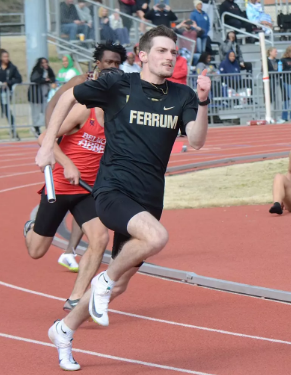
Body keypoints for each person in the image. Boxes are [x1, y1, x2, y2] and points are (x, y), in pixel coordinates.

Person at [37, 26, 211, 371]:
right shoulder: (119, 84)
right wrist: (47, 143)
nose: (169, 57)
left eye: (173, 52)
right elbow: (70, 97)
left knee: (120, 286)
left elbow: (196, 140)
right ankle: (101, 278)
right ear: (142, 55)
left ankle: (64, 330)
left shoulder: (183, 96)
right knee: (156, 238)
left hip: (150, 196)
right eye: (162, 51)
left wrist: (204, 101)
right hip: (113, 188)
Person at [24, 62, 117, 312]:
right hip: (62, 184)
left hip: (87, 189)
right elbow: (44, 139)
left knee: (100, 238)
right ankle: (31, 228)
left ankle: (76, 298)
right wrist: (67, 164)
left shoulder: (118, 120)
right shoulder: (82, 112)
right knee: (36, 251)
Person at [0, 49, 22, 142]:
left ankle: (14, 131)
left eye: (7, 56)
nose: (6, 58)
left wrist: (8, 82)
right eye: (4, 56)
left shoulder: (12, 67)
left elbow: (19, 78)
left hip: (4, 92)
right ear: (1, 58)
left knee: (7, 111)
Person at [28, 57, 56, 137]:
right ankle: (36, 127)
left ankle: (37, 126)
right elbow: (34, 79)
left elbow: (53, 77)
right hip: (36, 96)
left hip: (45, 95)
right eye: (43, 63)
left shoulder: (48, 70)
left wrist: (49, 80)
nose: (45, 64)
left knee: (45, 112)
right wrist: (44, 80)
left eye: (46, 62)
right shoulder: (37, 70)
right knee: (36, 113)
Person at [277, 46, 291, 123]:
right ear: (289, 52)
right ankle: (284, 116)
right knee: (286, 100)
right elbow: (282, 71)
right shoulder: (283, 60)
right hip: (286, 81)